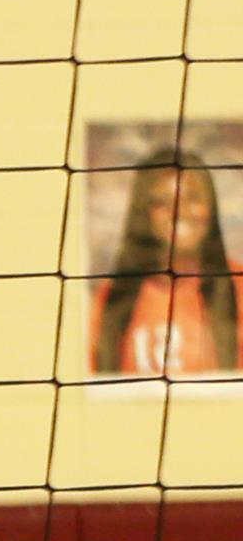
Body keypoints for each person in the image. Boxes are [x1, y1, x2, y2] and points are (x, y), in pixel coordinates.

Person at [92, 146, 241, 376]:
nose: (179, 211)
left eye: (193, 199)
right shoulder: (112, 299)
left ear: (210, 207)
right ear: (144, 213)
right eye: (162, 202)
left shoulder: (238, 288)